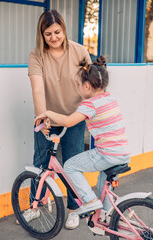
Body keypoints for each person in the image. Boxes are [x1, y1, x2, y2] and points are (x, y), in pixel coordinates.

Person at [34, 56, 130, 216]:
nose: (78, 88)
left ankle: (90, 201)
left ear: (86, 86)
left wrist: (47, 113)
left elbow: (68, 121)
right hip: (122, 153)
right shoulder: (110, 97)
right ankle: (109, 217)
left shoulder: (89, 104)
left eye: (78, 85)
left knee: (70, 166)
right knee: (104, 189)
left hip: (107, 155)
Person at [27, 9, 92, 229]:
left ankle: (74, 209)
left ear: (63, 29)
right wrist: (42, 117)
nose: (53, 38)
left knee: (71, 164)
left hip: (74, 118)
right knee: (40, 165)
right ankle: (35, 207)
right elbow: (37, 89)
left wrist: (87, 112)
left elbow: (90, 85)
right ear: (42, 35)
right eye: (48, 34)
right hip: (47, 118)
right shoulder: (36, 55)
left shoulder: (79, 51)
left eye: (57, 32)